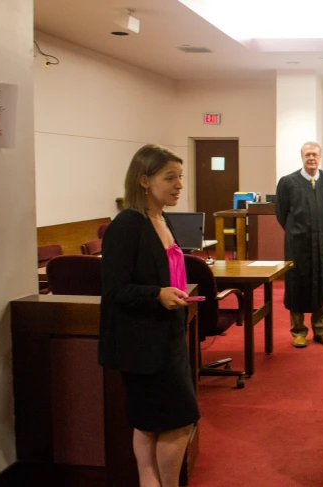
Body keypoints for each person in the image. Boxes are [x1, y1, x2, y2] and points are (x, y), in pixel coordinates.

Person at [98, 144, 200, 487]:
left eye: (180, 178)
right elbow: (113, 290)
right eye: (169, 178)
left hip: (166, 336)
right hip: (143, 344)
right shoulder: (127, 225)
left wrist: (172, 293)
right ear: (144, 179)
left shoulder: (161, 218)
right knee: (179, 420)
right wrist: (156, 294)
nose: (179, 186)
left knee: (150, 423)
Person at [276, 141, 323, 348]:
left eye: (314, 154)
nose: (311, 158)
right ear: (301, 157)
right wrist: (297, 232)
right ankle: (298, 331)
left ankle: (321, 331)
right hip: (298, 244)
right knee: (297, 285)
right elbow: (281, 212)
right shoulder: (288, 182)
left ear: (320, 157)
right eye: (307, 155)